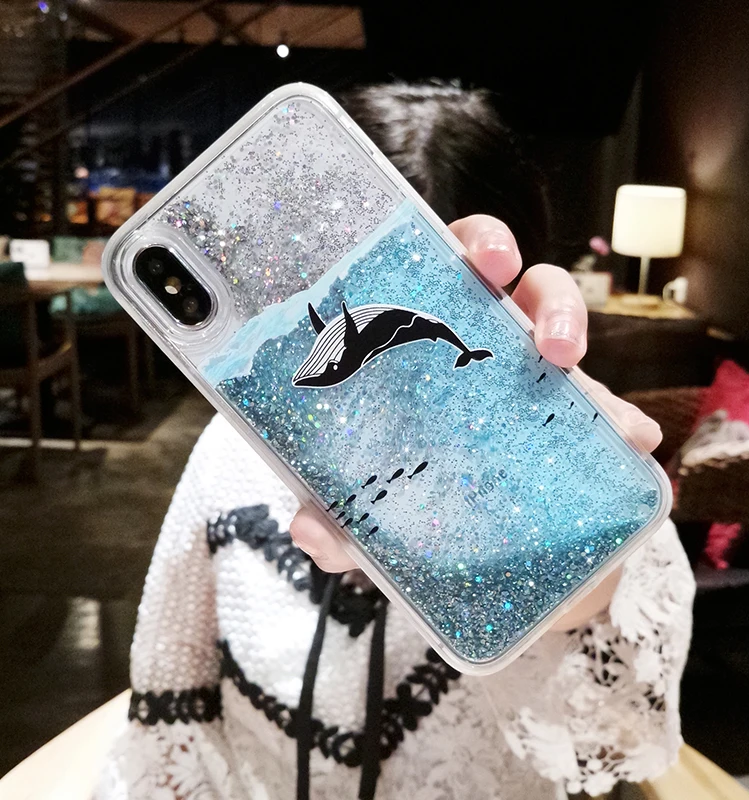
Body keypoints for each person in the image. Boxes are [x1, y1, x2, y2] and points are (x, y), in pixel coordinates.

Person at [95, 84, 695, 800]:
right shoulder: (229, 458)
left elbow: (615, 742)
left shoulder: (586, 485)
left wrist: (562, 576)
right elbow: (171, 710)